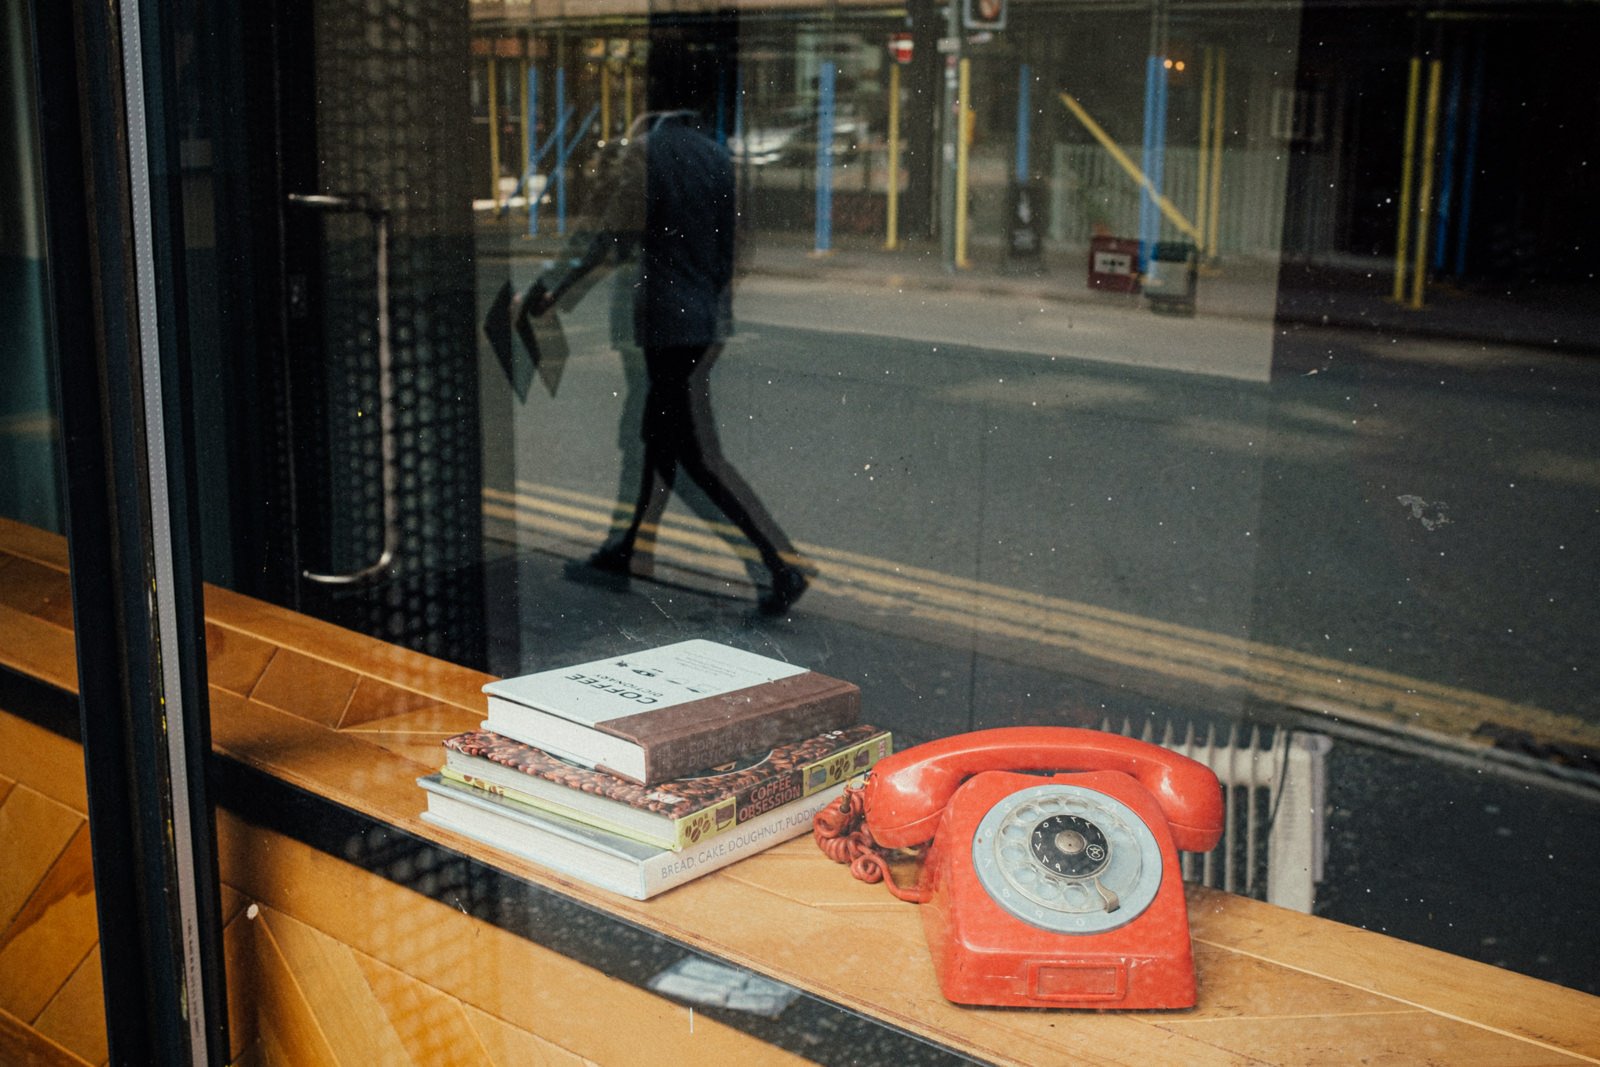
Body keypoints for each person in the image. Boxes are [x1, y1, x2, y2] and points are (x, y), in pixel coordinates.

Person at [519, 108, 809, 616]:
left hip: (665, 324)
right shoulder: (718, 157)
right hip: (703, 323)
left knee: (688, 453)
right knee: (656, 442)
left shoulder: (646, 152)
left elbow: (607, 234)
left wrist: (552, 289)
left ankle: (777, 567)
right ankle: (627, 551)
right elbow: (738, 247)